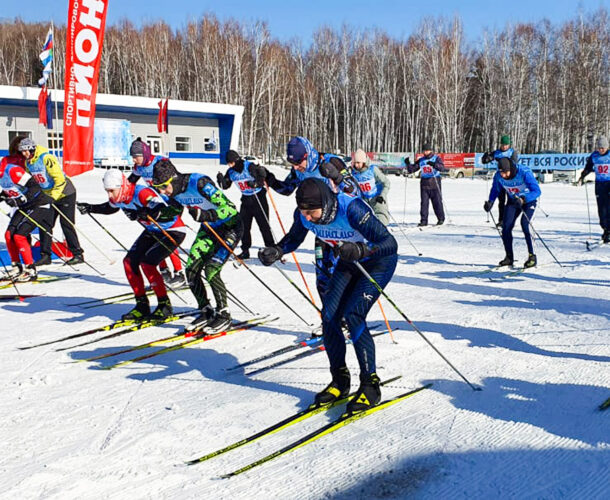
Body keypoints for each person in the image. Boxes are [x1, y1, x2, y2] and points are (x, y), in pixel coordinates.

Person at [258, 178, 398, 413]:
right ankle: (340, 381)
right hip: (348, 260)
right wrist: (278, 249)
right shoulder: (303, 214)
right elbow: (294, 237)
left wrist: (362, 249)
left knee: (353, 315)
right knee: (329, 317)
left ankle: (370, 384)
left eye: (311, 212)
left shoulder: (351, 208)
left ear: (325, 203)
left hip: (377, 262)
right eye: (304, 212)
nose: (308, 217)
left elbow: (389, 243)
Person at [252, 136, 359, 301]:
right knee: (323, 280)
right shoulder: (298, 170)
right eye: (292, 164)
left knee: (344, 279)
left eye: (299, 163)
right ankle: (333, 321)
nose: (296, 167)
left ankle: (350, 317)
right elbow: (287, 189)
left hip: (342, 229)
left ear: (308, 154)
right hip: (321, 230)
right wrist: (269, 178)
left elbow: (355, 191)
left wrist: (337, 177)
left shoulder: (330, 161)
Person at [77, 170, 186, 320]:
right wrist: (90, 208)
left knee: (148, 263)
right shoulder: (120, 195)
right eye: (107, 191)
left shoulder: (141, 193)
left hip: (172, 230)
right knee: (129, 262)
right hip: (152, 230)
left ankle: (164, 305)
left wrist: (144, 212)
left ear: (121, 186)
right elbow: (110, 207)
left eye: (111, 191)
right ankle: (141, 305)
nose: (110, 195)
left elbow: (164, 209)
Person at [151, 159, 243, 333]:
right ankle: (206, 310)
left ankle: (224, 314)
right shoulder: (173, 193)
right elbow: (174, 210)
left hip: (230, 227)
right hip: (209, 229)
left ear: (174, 178)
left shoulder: (199, 182)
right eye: (158, 188)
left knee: (211, 270)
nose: (162, 191)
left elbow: (230, 208)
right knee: (191, 270)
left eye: (164, 186)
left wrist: (205, 214)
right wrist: (152, 212)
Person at [15, 137, 84, 266]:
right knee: (45, 224)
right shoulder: (28, 163)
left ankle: (77, 254)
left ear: (32, 148)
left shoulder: (46, 158)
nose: (24, 154)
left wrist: (53, 196)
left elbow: (60, 180)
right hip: (48, 196)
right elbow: (32, 182)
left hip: (65, 193)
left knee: (66, 223)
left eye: (26, 150)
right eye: (22, 151)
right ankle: (45, 256)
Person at [128, 137, 184, 285]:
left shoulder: (161, 162)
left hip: (170, 203)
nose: (134, 160)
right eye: (132, 157)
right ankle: (164, 270)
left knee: (168, 236)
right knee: (156, 237)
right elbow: (131, 182)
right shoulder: (139, 167)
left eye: (136, 157)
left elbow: (177, 181)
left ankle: (179, 272)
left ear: (144, 153)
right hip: (155, 203)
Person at [0, 155, 52, 281]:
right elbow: (9, 189)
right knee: (8, 235)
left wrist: (20, 199)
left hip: (40, 205)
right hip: (24, 207)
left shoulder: (12, 171)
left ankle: (30, 269)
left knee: (19, 236)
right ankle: (16, 267)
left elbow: (35, 187)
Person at [216, 150, 274, 259]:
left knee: (264, 225)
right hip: (246, 200)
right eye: (228, 163)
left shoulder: (249, 166)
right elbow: (226, 186)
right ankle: (245, 250)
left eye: (231, 163)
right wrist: (221, 180)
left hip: (258, 198)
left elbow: (262, 178)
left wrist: (255, 183)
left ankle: (271, 249)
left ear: (236, 160)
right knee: (244, 227)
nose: (230, 165)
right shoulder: (231, 172)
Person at [484, 157, 541, 268]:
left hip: (528, 201)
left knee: (525, 224)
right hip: (513, 200)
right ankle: (509, 257)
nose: (503, 175)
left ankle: (532, 255)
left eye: (505, 172)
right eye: (501, 173)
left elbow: (537, 191)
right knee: (506, 227)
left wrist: (524, 199)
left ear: (510, 169)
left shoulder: (524, 172)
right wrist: (490, 202)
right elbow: (495, 189)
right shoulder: (498, 176)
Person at [405, 142, 447, 226]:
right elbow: (412, 169)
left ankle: (441, 219)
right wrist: (408, 164)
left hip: (434, 183)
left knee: (437, 202)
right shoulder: (421, 160)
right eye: (424, 151)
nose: (425, 152)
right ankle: (423, 221)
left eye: (427, 150)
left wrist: (434, 164)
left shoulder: (436, 158)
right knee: (424, 203)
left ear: (430, 150)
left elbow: (442, 168)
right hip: (424, 184)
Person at [577, 136, 610, 243]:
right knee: (601, 209)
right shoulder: (594, 156)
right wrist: (583, 175)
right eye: (599, 148)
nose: (601, 150)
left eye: (603, 148)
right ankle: (605, 229)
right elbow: (588, 167)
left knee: (609, 208)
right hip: (600, 185)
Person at [481, 135, 519, 227]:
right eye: (503, 144)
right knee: (501, 201)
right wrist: (485, 158)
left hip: (510, 179)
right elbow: (486, 160)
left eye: (506, 145)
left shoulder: (512, 152)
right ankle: (501, 220)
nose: (504, 146)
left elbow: (515, 164)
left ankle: (510, 219)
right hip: (500, 178)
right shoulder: (496, 153)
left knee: (510, 201)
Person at [351, 149, 391, 225]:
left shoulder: (372, 170)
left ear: (364, 162)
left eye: (358, 163)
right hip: (364, 201)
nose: (356, 165)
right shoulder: (353, 173)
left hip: (376, 199)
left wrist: (382, 195)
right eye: (355, 163)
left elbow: (386, 182)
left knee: (381, 220)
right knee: (364, 223)